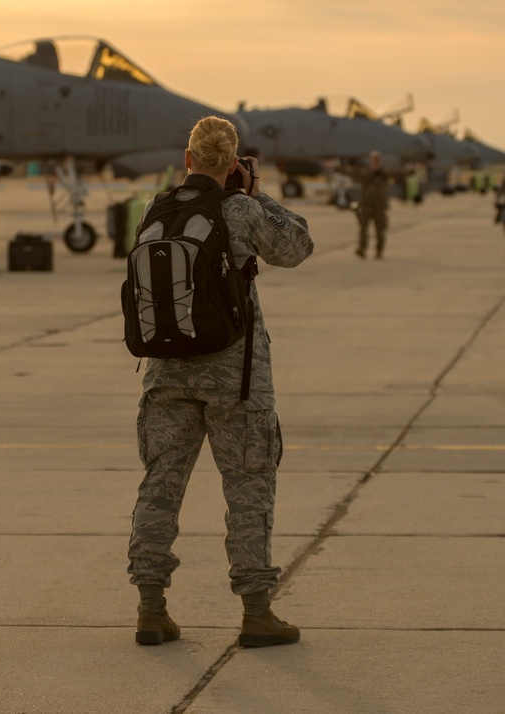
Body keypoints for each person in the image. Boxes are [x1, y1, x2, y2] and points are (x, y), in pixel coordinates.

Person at [127, 116, 314, 648]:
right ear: (233, 165)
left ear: (187, 161)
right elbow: (297, 246)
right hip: (236, 380)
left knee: (159, 489)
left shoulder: (154, 210)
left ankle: (150, 607)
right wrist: (260, 195)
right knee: (249, 487)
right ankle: (256, 612)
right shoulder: (241, 210)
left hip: (165, 374)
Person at [341, 150, 414, 259]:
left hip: (379, 207)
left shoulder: (384, 173)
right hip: (366, 205)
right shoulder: (365, 172)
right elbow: (352, 172)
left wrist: (410, 171)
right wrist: (337, 168)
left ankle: (379, 251)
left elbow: (399, 173)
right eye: (373, 159)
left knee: (380, 231)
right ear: (371, 160)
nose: (375, 161)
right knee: (363, 229)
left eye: (377, 159)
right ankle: (362, 249)